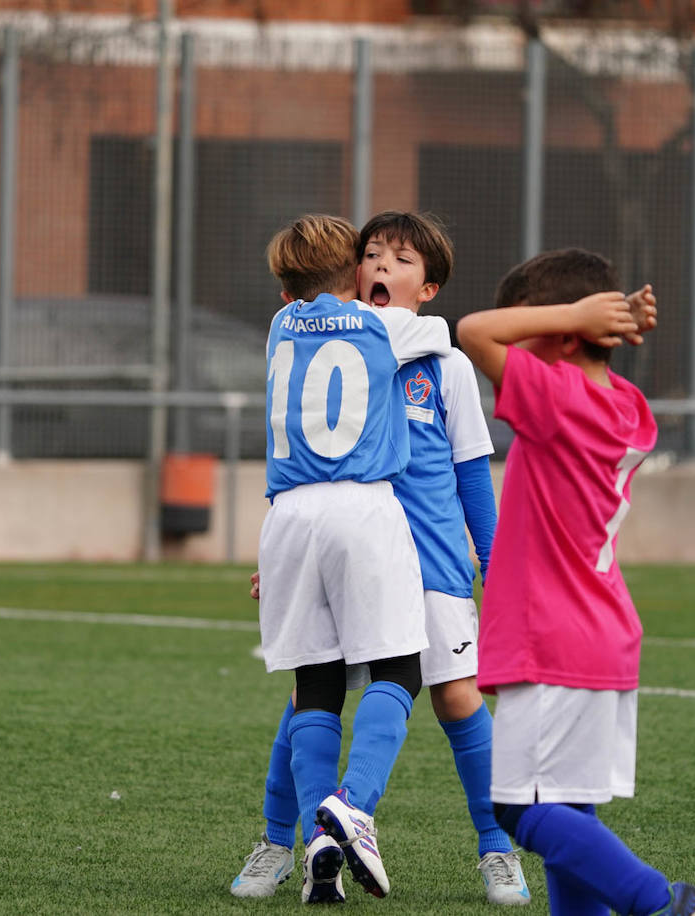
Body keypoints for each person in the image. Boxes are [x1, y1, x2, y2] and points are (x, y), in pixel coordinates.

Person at [231, 211, 530, 905]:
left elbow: (471, 476)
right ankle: (286, 841)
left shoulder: (446, 367)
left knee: (457, 698)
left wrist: (493, 562)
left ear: (430, 288)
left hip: (425, 560)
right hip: (355, 550)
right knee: (309, 694)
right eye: (372, 255)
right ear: (351, 273)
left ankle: (496, 849)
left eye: (401, 260)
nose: (382, 268)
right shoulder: (364, 335)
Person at [456, 248, 695, 916]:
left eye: (533, 326)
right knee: (570, 813)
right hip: (598, 635)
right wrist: (595, 319)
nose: (518, 340)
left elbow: (473, 331)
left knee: (519, 810)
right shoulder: (624, 403)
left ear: (569, 332)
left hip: (552, 638)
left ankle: (662, 900)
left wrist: (571, 316)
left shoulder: (556, 397)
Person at [256, 213, 453, 903]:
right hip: (363, 508)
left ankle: (316, 836)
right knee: (402, 666)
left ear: (286, 291)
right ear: (355, 277)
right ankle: (356, 804)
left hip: (288, 517)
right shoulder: (391, 327)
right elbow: (442, 334)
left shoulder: (280, 331)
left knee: (315, 683)